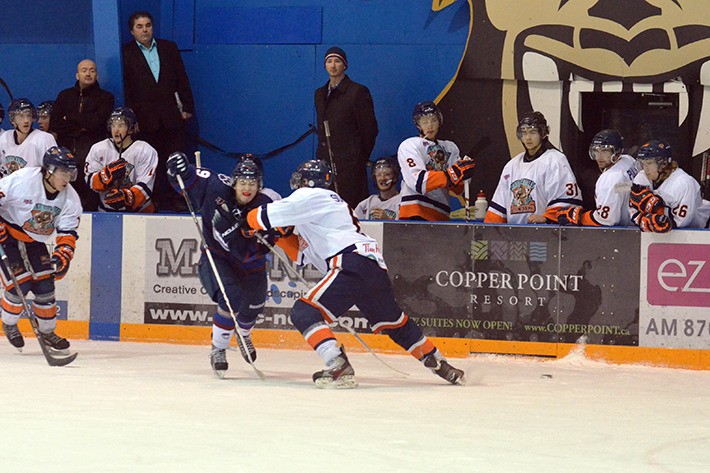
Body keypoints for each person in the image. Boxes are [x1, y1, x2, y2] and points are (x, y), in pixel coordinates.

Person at [240, 160, 466, 389]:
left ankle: (337, 363)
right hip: (371, 266)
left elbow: (261, 217)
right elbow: (301, 254)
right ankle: (442, 364)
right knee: (395, 325)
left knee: (305, 312)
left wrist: (245, 219)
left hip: (350, 262)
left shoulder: (309, 195)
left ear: (306, 180)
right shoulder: (324, 208)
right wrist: (281, 236)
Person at [166, 152, 282, 378]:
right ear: (233, 182)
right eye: (242, 183)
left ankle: (244, 334)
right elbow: (185, 179)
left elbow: (263, 246)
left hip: (252, 265)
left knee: (254, 307)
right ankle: (218, 349)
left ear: (259, 185)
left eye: (252, 183)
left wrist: (245, 237)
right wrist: (178, 167)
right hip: (217, 258)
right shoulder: (215, 186)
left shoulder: (266, 206)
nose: (246, 188)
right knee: (231, 297)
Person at [0, 146, 82, 353]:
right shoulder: (23, 180)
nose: (67, 178)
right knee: (20, 282)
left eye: (70, 173)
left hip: (36, 241)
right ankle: (9, 323)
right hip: (7, 236)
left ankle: (47, 332)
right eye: (63, 172)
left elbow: (67, 231)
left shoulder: (70, 199)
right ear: (49, 170)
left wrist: (63, 254)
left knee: (46, 286)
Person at [123, 11, 195, 212]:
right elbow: (127, 88)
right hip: (145, 120)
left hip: (172, 116)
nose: (145, 29)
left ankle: (179, 198)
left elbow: (182, 78)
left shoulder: (168, 48)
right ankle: (153, 200)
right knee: (151, 163)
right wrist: (132, 119)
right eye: (139, 26)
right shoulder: (126, 53)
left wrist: (187, 107)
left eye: (148, 25)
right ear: (132, 31)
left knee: (176, 160)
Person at [484, 111, 582, 224]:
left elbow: (566, 203)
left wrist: (547, 217)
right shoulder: (511, 165)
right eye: (524, 133)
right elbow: (498, 208)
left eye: (533, 132)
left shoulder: (555, 160)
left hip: (546, 235)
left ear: (543, 134)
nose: (528, 137)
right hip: (513, 235)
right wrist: (489, 231)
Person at [314, 46, 378, 209]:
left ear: (345, 65)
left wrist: (357, 157)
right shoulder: (320, 94)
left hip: (350, 167)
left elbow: (370, 129)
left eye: (337, 61)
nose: (333, 65)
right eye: (329, 61)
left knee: (351, 211)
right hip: (325, 164)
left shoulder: (358, 92)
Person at [50, 59, 115, 211]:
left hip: (91, 158)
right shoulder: (64, 96)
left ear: (97, 75)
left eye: (92, 70)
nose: (88, 73)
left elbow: (96, 123)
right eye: (84, 70)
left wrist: (70, 117)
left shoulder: (106, 98)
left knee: (90, 203)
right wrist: (81, 128)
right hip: (67, 158)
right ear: (77, 75)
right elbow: (55, 123)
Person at [398, 101, 476, 221]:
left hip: (441, 214)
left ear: (439, 122)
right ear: (418, 125)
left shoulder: (450, 147)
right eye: (424, 122)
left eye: (433, 120)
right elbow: (418, 182)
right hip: (415, 212)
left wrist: (464, 175)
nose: (429, 126)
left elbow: (459, 189)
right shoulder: (410, 145)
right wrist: (452, 174)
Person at [556, 129, 637, 226]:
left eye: (605, 151)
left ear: (617, 151)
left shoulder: (611, 179)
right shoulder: (628, 160)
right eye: (596, 151)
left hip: (624, 235)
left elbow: (607, 220)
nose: (599, 157)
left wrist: (580, 217)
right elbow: (624, 187)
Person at [85, 107, 158, 213]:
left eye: (121, 125)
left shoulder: (145, 150)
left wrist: (126, 197)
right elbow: (90, 180)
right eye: (113, 125)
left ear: (131, 128)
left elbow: (145, 186)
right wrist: (104, 176)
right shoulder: (99, 149)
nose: (116, 130)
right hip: (106, 212)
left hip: (140, 212)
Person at [629, 140, 710, 232]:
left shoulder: (683, 183)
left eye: (650, 163)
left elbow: (681, 222)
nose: (645, 168)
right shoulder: (642, 177)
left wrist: (656, 209)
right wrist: (642, 219)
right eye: (643, 163)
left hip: (702, 232)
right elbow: (633, 212)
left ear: (663, 164)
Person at [0, 98, 57, 177]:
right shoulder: (4, 138)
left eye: (28, 115)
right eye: (21, 116)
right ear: (12, 120)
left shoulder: (43, 139)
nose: (26, 120)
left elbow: (53, 172)